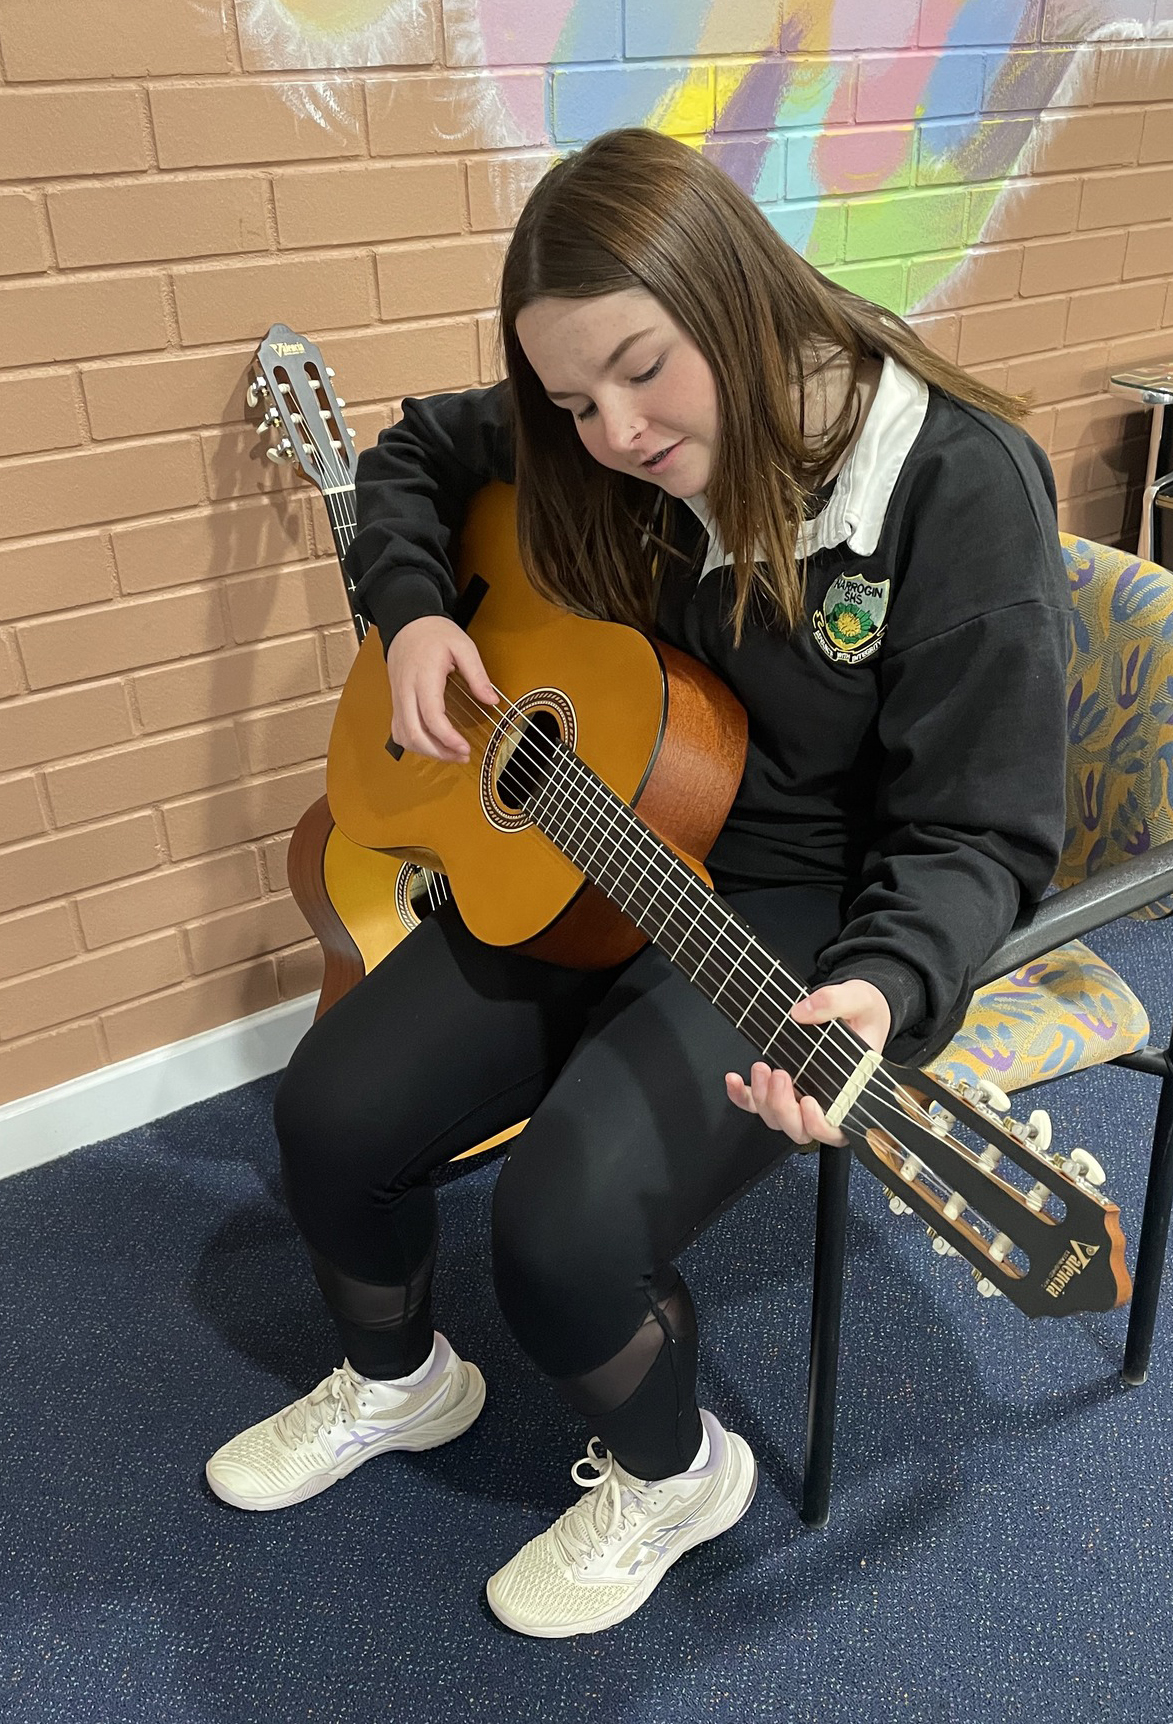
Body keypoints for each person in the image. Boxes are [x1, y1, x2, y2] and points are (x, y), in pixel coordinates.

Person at [205, 126, 1070, 1637]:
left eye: (641, 372)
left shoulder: (954, 485)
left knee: (561, 1232)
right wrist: (409, 610)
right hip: (593, 826)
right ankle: (402, 1383)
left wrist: (881, 987)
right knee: (328, 1118)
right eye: (568, 399)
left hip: (791, 907)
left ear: (735, 292)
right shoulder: (586, 427)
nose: (609, 430)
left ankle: (680, 1475)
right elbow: (413, 451)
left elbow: (975, 835)